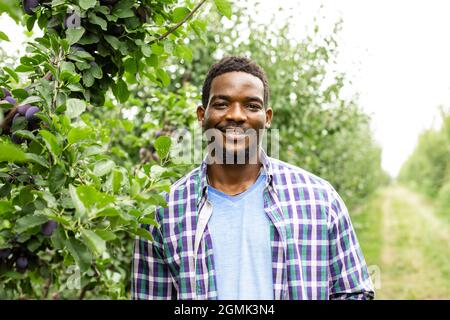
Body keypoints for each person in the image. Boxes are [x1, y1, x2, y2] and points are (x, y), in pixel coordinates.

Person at [132, 56, 375, 300]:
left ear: (267, 118)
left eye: (251, 106)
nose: (236, 115)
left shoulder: (319, 200)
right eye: (221, 103)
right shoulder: (163, 211)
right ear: (201, 115)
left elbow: (354, 292)